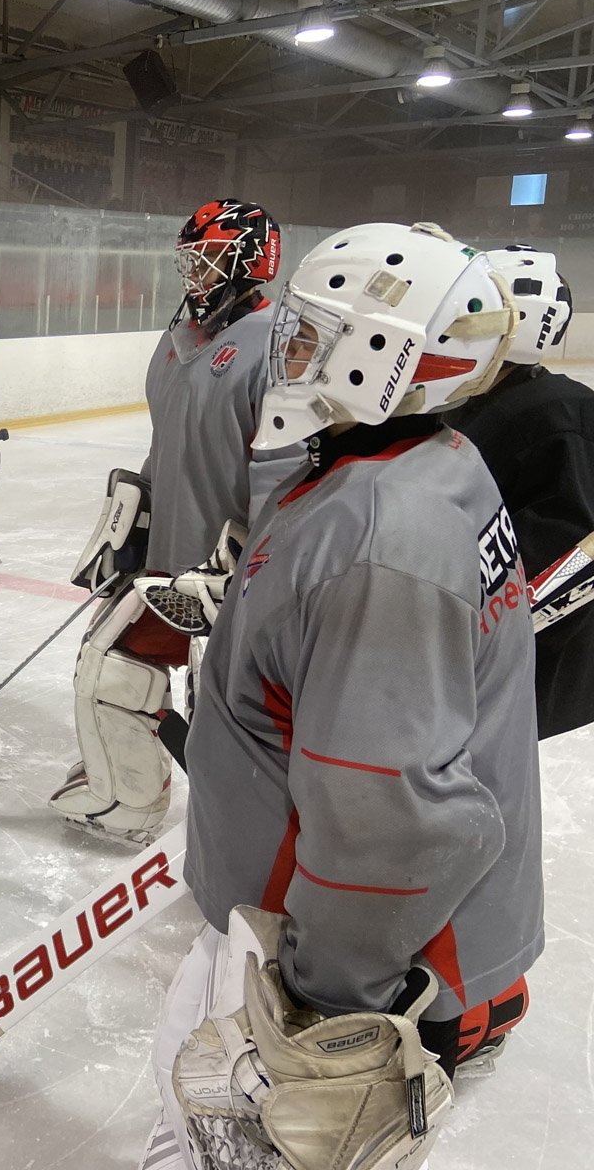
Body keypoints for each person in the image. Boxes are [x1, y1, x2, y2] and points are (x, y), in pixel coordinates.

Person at [138, 223, 541, 1170]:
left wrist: (319, 1010)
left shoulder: (379, 539)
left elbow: (389, 818)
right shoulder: (425, 461)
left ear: (384, 357)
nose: (290, 351)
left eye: (316, 335)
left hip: (314, 966)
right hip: (292, 926)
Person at [51, 200, 291, 845]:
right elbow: (170, 445)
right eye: (188, 259)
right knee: (110, 664)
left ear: (248, 261)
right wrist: (133, 522)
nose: (193, 273)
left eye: (207, 258)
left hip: (236, 575)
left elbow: (288, 476)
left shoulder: (277, 346)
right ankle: (132, 789)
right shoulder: (178, 337)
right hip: (168, 559)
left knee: (229, 713)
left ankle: (248, 829)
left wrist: (253, 565)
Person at [447, 246, 594, 738]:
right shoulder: (478, 401)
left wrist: (470, 636)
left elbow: (573, 559)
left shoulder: (557, 415)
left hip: (532, 672)